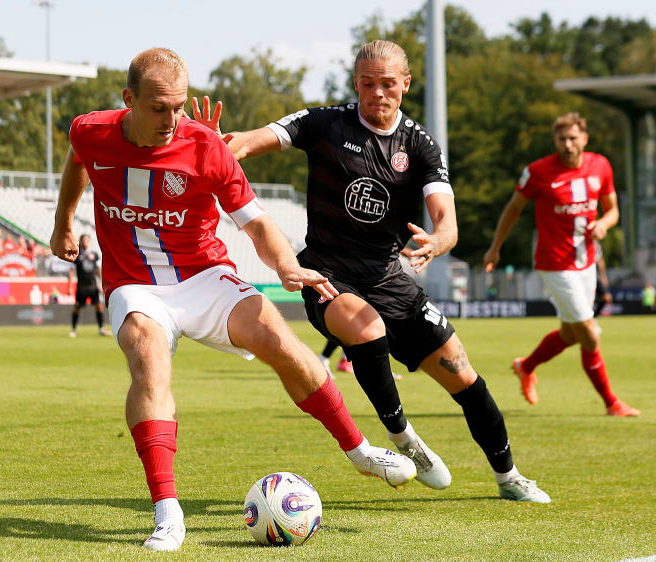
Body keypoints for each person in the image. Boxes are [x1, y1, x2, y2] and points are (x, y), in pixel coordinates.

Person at [49, 48, 415, 552]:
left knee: (281, 343)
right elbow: (77, 159)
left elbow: (259, 223)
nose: (172, 120)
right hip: (135, 284)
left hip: (204, 275)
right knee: (148, 361)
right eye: (158, 108)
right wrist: (62, 222)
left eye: (179, 107)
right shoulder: (90, 131)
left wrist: (285, 266)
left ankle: (360, 451)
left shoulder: (204, 147)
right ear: (128, 99)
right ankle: (167, 512)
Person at [207, 39, 550, 503]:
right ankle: (405, 439)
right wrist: (218, 143)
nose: (378, 93)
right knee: (365, 327)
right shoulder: (325, 123)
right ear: (356, 84)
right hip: (327, 273)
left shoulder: (421, 145)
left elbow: (446, 220)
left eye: (388, 83)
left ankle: (509, 477)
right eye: (368, 83)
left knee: (466, 379)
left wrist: (438, 241)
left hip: (390, 277)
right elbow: (249, 141)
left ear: (405, 84)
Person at [483, 112, 639, 417]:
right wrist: (494, 248)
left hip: (587, 262)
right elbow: (513, 209)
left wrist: (604, 225)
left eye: (572, 138)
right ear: (555, 141)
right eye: (561, 139)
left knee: (570, 333)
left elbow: (613, 210)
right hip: (554, 264)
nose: (567, 145)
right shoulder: (538, 172)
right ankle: (612, 403)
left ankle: (525, 367)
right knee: (590, 334)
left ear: (584, 138)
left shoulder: (601, 166)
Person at [67, 234, 109, 337]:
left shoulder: (94, 255)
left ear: (89, 241)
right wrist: (69, 287)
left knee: (99, 306)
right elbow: (71, 271)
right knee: (77, 307)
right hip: (81, 286)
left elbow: (99, 269)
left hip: (93, 286)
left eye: (87, 240)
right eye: (83, 240)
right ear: (80, 241)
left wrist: (102, 283)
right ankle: (73, 329)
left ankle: (101, 328)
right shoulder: (76, 255)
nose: (85, 242)